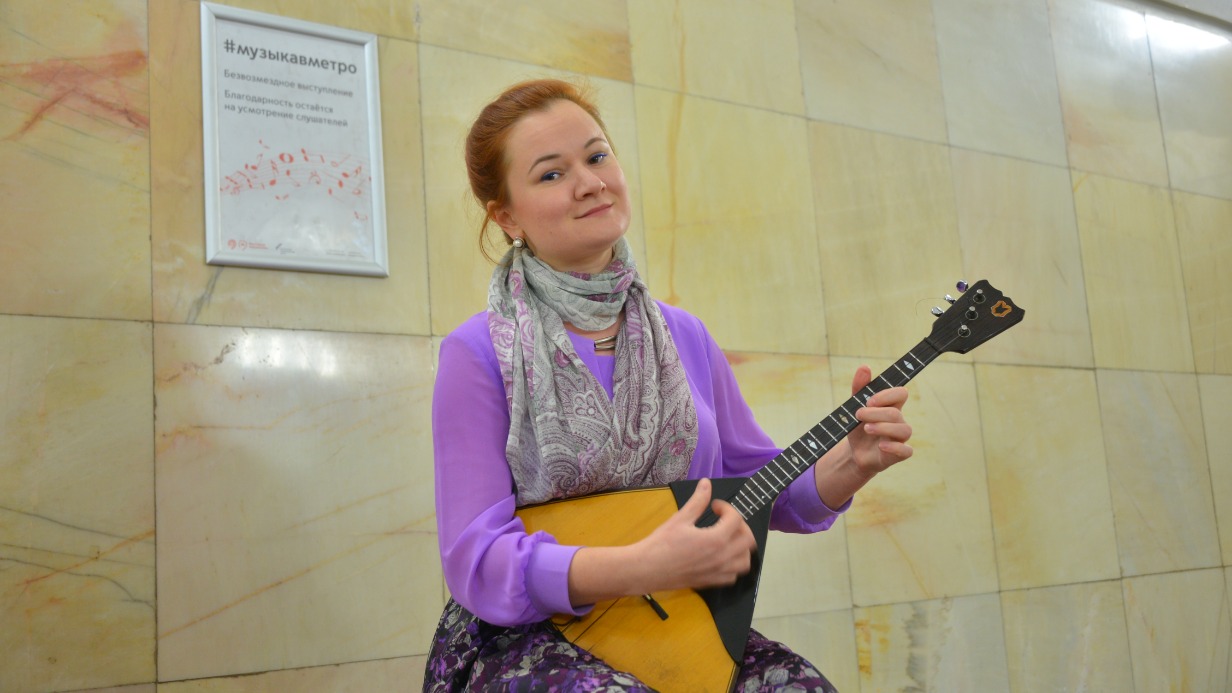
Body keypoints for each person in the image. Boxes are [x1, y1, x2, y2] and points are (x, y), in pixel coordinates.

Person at [425, 79, 913, 692]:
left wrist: (851, 463)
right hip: (529, 637)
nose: (590, 182)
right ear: (506, 216)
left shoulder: (684, 335)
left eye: (597, 156)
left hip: (674, 622)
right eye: (551, 174)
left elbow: (760, 488)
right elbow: (476, 559)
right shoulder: (477, 352)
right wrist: (638, 565)